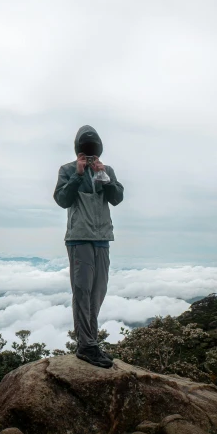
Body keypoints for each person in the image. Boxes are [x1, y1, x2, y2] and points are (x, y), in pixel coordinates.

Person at [53, 125, 124, 368]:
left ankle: (91, 342)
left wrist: (104, 177)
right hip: (79, 238)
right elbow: (62, 199)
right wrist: (79, 174)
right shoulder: (68, 170)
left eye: (93, 152)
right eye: (85, 152)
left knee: (98, 292)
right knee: (82, 291)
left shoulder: (107, 171)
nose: (90, 156)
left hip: (102, 238)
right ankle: (85, 344)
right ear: (78, 151)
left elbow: (117, 198)